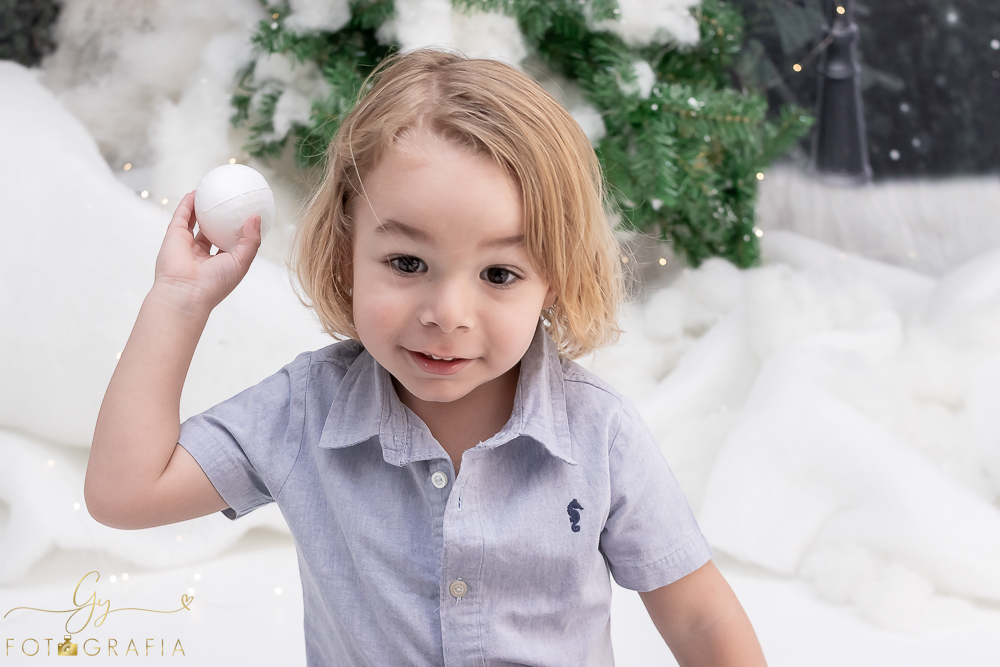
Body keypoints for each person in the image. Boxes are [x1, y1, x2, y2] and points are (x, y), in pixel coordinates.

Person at [85, 47, 766, 666]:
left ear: (554, 278)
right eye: (408, 262)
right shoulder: (304, 412)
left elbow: (701, 618)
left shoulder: (599, 434)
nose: (447, 313)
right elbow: (123, 493)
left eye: (499, 273)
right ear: (346, 253)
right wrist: (179, 299)